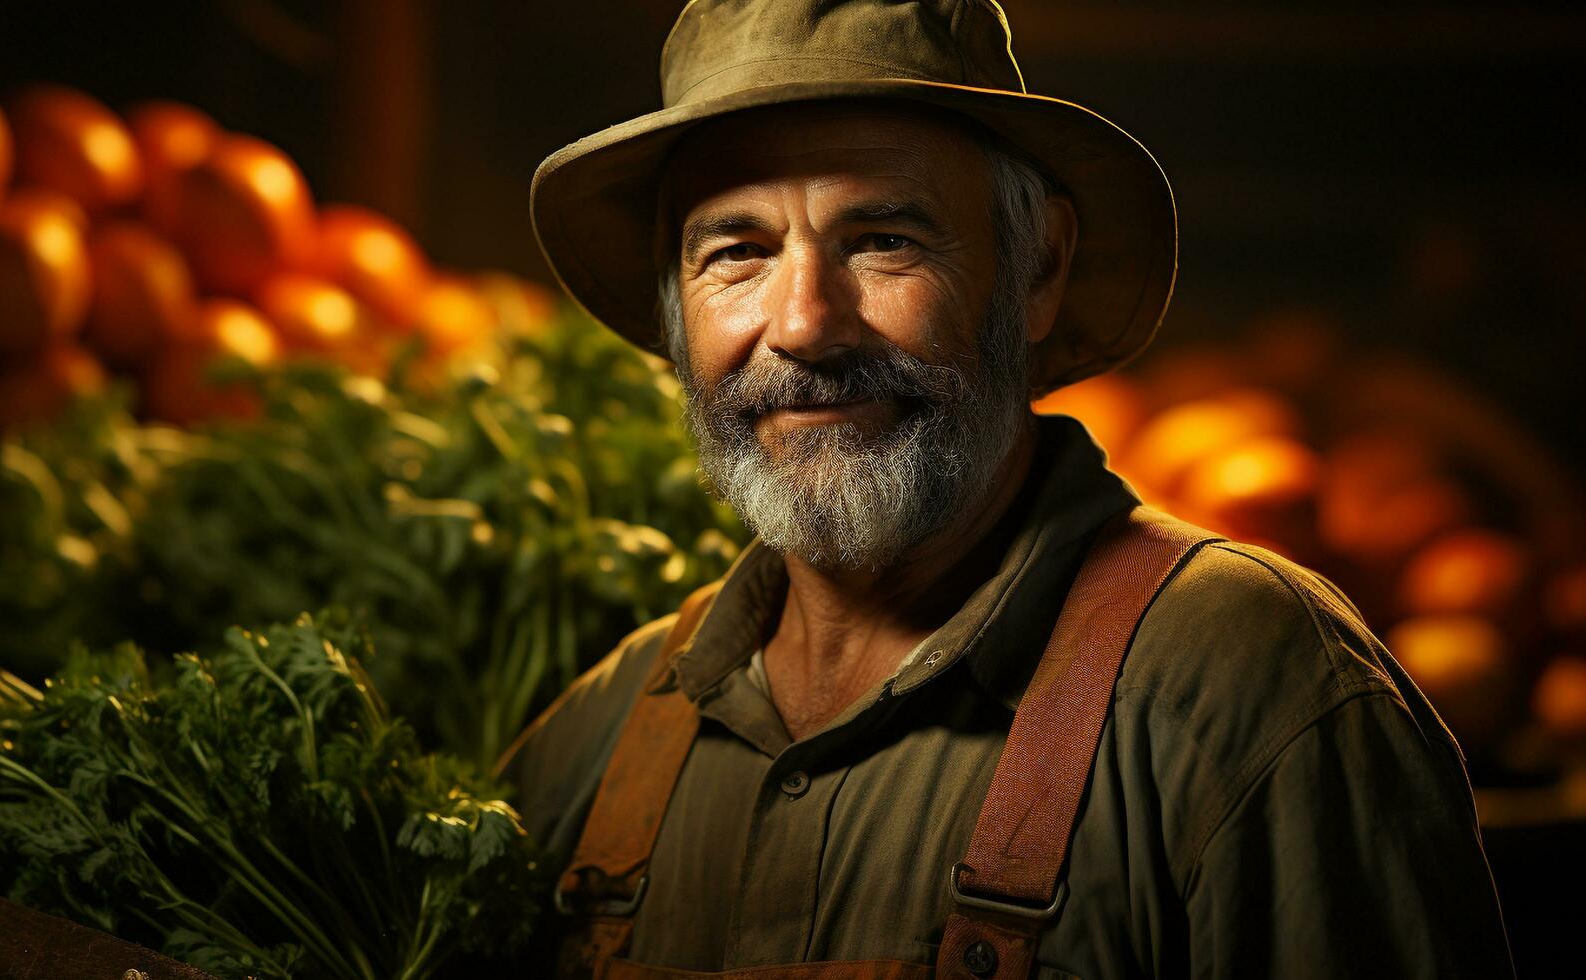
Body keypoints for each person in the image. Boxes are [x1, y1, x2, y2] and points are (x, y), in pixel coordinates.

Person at [502, 1, 1516, 977]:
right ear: (677, 308)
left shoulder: (1258, 693)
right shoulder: (591, 749)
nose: (806, 324)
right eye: (736, 253)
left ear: (1038, 268)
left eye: (883, 239)